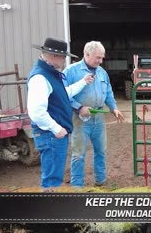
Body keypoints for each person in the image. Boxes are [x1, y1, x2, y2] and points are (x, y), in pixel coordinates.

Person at [27, 37, 94, 191]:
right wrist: (56, 128)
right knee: (52, 175)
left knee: (54, 172)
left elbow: (64, 93)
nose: (65, 60)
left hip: (52, 133)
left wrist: (83, 82)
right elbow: (36, 111)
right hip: (50, 134)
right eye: (64, 56)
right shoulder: (40, 77)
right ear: (54, 56)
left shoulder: (50, 75)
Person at [63, 41, 124, 187]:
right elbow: (63, 95)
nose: (101, 61)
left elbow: (108, 92)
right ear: (87, 54)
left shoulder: (102, 72)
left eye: (102, 58)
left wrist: (114, 107)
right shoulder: (71, 71)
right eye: (98, 57)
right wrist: (78, 108)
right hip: (79, 119)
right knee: (78, 153)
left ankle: (100, 181)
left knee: (101, 150)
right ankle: (77, 186)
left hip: (98, 118)